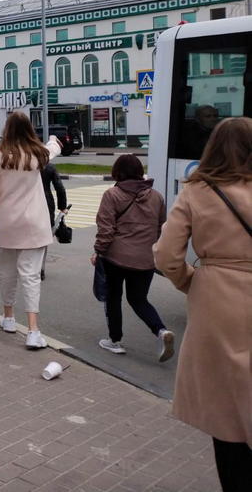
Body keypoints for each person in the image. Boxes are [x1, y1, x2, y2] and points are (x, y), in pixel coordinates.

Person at [154, 117, 251, 491]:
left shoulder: (197, 190)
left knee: (225, 407)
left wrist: (191, 282)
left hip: (218, 299)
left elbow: (166, 256)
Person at [0, 112, 61, 349]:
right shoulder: (38, 155)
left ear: (7, 129)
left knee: (6, 272)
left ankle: (8, 317)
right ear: (29, 130)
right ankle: (33, 331)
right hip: (35, 224)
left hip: (7, 223)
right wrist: (54, 139)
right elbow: (52, 148)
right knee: (31, 276)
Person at [92, 154, 173, 361]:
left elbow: (106, 230)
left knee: (113, 297)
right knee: (138, 299)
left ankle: (115, 341)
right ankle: (161, 331)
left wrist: (99, 252)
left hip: (116, 258)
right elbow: (160, 227)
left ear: (117, 172)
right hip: (145, 259)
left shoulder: (112, 195)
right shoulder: (156, 196)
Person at [39, 162, 68, 280]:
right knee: (44, 237)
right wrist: (62, 207)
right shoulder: (48, 166)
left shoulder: (23, 164)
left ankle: (22, 266)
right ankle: (41, 269)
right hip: (46, 203)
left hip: (25, 204)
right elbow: (60, 187)